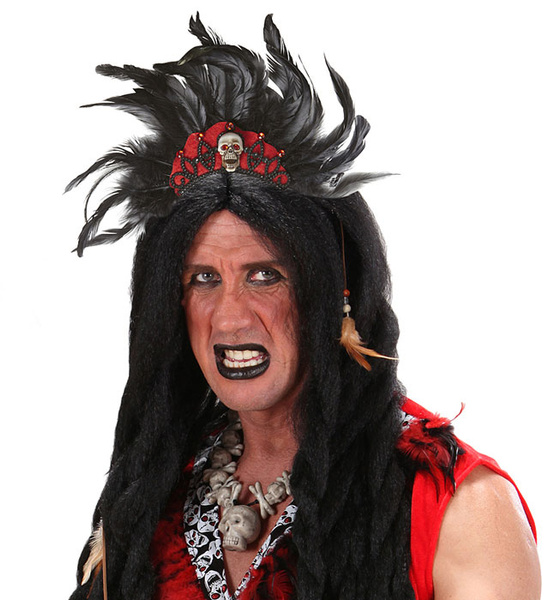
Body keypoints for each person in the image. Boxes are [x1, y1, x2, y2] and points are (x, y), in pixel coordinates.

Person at [66, 14, 540, 600]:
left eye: (265, 276)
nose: (230, 317)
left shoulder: (456, 508)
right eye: (204, 279)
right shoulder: (151, 496)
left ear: (334, 289)